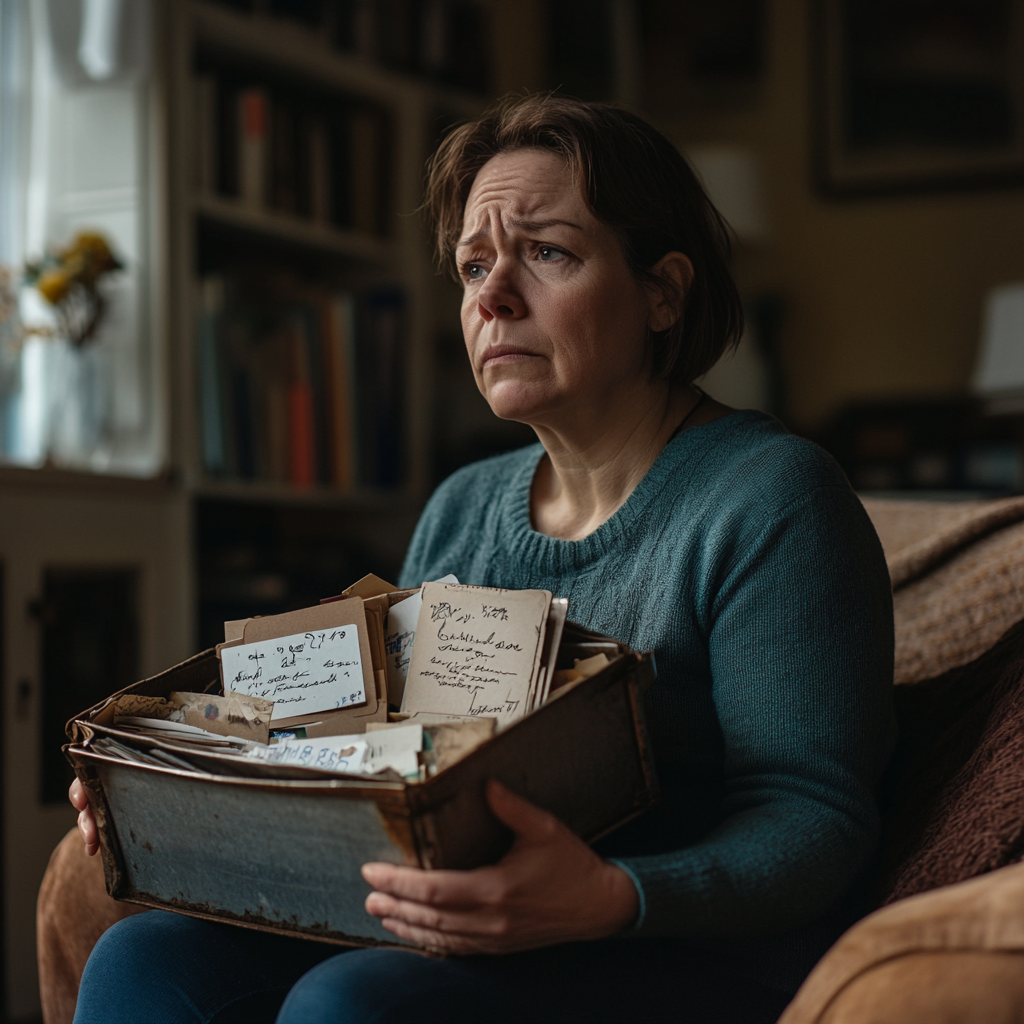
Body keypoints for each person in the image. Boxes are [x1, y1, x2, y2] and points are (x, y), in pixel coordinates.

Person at [70, 94, 895, 1024]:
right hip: (455, 920)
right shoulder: (463, 506)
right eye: (473, 264)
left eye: (547, 252)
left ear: (664, 291)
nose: (492, 295)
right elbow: (375, 746)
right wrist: (169, 788)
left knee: (352, 1003)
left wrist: (607, 895)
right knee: (142, 959)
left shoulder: (773, 497)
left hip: (680, 947)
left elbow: (813, 819)